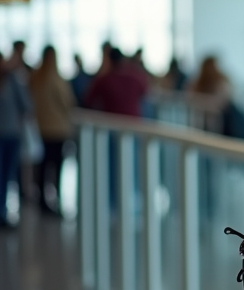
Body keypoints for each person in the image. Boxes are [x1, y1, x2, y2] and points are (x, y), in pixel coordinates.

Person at [29, 47, 75, 217]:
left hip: (41, 127)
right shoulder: (56, 79)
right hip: (56, 129)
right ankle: (56, 199)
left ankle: (43, 199)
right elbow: (68, 102)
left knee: (43, 166)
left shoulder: (35, 79)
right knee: (56, 167)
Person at [0, 57, 31, 228]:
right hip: (6, 135)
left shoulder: (13, 81)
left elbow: (27, 105)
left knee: (6, 175)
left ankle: (2, 212)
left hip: (12, 135)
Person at [84, 47, 149, 117]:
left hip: (109, 121)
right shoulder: (136, 78)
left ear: (108, 61)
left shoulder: (104, 80)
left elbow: (88, 101)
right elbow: (145, 94)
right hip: (133, 121)